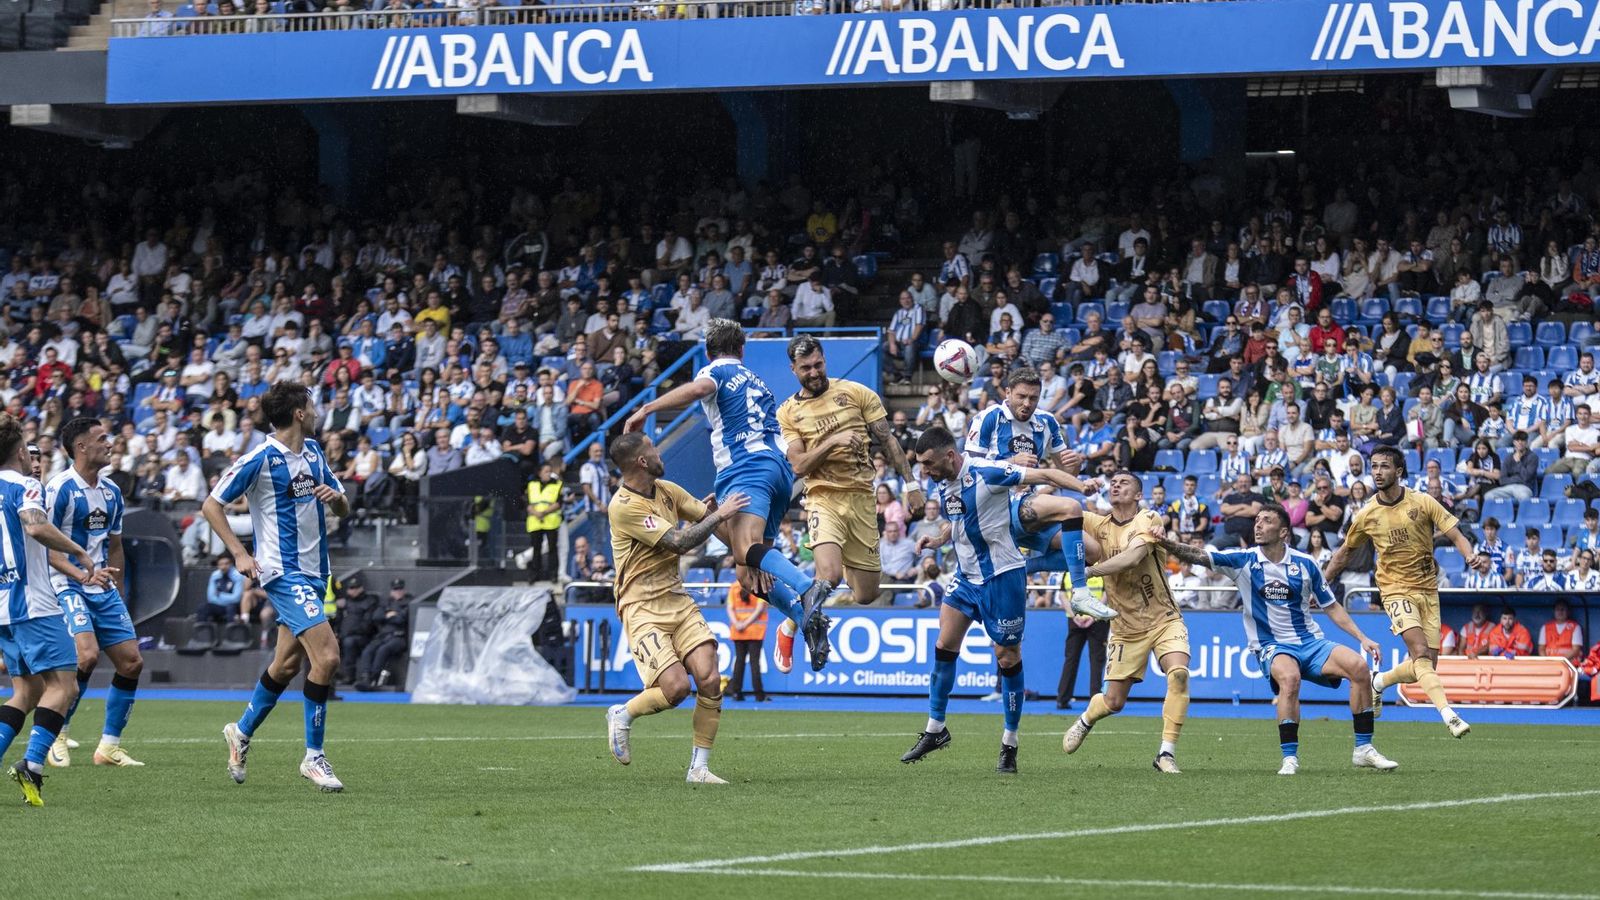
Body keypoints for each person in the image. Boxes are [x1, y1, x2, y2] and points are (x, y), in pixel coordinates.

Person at [625, 319, 831, 671]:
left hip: (746, 467)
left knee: (743, 549)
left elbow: (696, 389)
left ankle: (806, 587)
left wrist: (646, 409)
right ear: (741, 350)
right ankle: (807, 619)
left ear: (709, 352)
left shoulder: (715, 372)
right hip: (779, 473)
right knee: (748, 574)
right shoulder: (755, 380)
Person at [899, 426, 1092, 774]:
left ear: (950, 456)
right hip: (965, 578)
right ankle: (935, 729)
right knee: (944, 645)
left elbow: (1044, 472)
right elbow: (956, 523)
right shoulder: (943, 484)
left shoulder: (986, 471)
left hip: (1002, 578)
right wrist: (936, 540)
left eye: (928, 463)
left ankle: (1009, 743)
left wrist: (1081, 486)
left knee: (1007, 658)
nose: (925, 471)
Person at [1150, 506, 1398, 775]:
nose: (1257, 525)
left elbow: (1332, 606)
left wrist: (1363, 637)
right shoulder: (1244, 560)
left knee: (1359, 667)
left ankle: (1363, 749)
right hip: (1271, 645)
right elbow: (1198, 555)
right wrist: (1166, 542)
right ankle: (1289, 758)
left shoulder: (1305, 564)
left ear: (1283, 532)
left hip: (1310, 642)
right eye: (1256, 520)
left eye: (1266, 521)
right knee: (1290, 679)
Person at [205, 382, 350, 792]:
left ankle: (241, 731)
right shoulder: (260, 459)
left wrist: (334, 498)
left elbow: (342, 503)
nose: (317, 410)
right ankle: (314, 757)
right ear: (300, 413)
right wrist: (238, 553)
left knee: (286, 665)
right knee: (326, 657)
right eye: (312, 403)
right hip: (282, 573)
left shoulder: (314, 453)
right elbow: (211, 505)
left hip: (316, 571)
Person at [602, 432, 750, 785]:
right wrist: (719, 516)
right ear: (641, 461)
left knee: (710, 678)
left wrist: (749, 554)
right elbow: (681, 541)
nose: (658, 452)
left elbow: (708, 519)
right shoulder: (624, 507)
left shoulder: (667, 490)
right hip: (642, 606)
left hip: (676, 598)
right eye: (652, 449)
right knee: (676, 689)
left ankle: (698, 769)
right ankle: (623, 714)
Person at [1323, 446, 1486, 739]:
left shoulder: (1422, 502)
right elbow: (1345, 553)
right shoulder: (1367, 514)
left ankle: (1379, 681)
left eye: (1384, 466)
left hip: (1428, 589)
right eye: (1374, 466)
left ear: (1398, 472)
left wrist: (1469, 555)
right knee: (1420, 652)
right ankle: (1448, 714)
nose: (1377, 472)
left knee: (1424, 665)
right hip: (1395, 590)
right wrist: (1322, 583)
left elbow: (1456, 534)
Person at [776, 335, 919, 668]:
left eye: (818, 364)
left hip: (862, 500)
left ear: (824, 359)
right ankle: (792, 624)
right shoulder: (789, 412)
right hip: (823, 497)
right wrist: (833, 440)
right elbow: (798, 465)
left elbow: (887, 440)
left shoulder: (856, 393)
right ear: (793, 369)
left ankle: (800, 615)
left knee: (865, 594)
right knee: (830, 573)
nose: (813, 372)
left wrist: (911, 483)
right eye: (805, 368)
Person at [1062, 470, 1192, 774]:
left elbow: (1132, 558)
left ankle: (1165, 754)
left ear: (1138, 495)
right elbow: (1062, 519)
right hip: (1124, 627)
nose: (1116, 484)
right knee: (1114, 702)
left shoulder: (1149, 519)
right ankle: (1087, 719)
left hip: (1164, 618)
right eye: (1113, 482)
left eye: (1124, 482)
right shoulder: (1096, 523)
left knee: (1179, 675)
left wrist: (1089, 573)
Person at [0, 412, 98, 805]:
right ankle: (33, 764)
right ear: (20, 451)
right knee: (65, 686)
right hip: (34, 603)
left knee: (25, 692)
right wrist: (78, 550)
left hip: (3, 606)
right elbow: (36, 526)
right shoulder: (25, 486)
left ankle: (30, 763)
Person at [44, 417, 144, 768]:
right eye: (102, 438)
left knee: (132, 662)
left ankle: (108, 748)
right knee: (85, 656)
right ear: (81, 446)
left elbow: (115, 545)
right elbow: (48, 550)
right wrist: (82, 574)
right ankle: (58, 732)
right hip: (67, 583)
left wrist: (116, 588)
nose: (110, 443)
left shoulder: (112, 492)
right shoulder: (59, 489)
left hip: (102, 587)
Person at [356, 579, 410, 690]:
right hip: (383, 636)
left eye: (400, 589)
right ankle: (365, 677)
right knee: (368, 650)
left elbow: (401, 620)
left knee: (383, 650)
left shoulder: (407, 603)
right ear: (391, 591)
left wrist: (388, 615)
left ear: (404, 590)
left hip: (398, 636)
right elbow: (376, 617)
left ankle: (374, 678)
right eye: (395, 589)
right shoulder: (386, 602)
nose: (398, 592)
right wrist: (389, 615)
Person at [724, 581, 767, 702]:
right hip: (755, 631)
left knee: (739, 661)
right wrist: (746, 624)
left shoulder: (734, 586)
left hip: (738, 631)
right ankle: (759, 694)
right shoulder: (759, 585)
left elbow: (730, 608)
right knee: (754, 663)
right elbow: (759, 609)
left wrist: (738, 624)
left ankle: (736, 693)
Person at [525, 462, 563, 584]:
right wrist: (535, 513)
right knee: (536, 549)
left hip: (550, 521)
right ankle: (535, 574)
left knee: (552, 549)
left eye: (549, 471)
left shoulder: (557, 484)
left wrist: (544, 512)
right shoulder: (531, 485)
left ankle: (553, 575)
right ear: (540, 472)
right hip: (535, 521)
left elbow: (559, 502)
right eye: (546, 471)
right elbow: (526, 502)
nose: (548, 473)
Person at [200, 554, 245, 623]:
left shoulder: (238, 576)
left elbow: (236, 598)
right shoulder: (215, 575)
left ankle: (232, 632)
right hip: (220, 605)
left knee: (231, 607)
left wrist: (220, 595)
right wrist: (227, 598)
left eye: (226, 564)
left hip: (235, 606)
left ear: (231, 564)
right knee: (204, 607)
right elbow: (211, 598)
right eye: (220, 564)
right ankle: (202, 632)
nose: (223, 567)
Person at [1538, 599, 1585, 664]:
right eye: (1557, 609)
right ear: (1554, 611)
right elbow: (1541, 649)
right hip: (1549, 664)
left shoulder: (1575, 627)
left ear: (1568, 612)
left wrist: (1560, 661)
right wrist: (1547, 662)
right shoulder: (1545, 627)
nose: (1560, 612)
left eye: (1562, 609)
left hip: (1569, 663)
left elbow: (1576, 650)